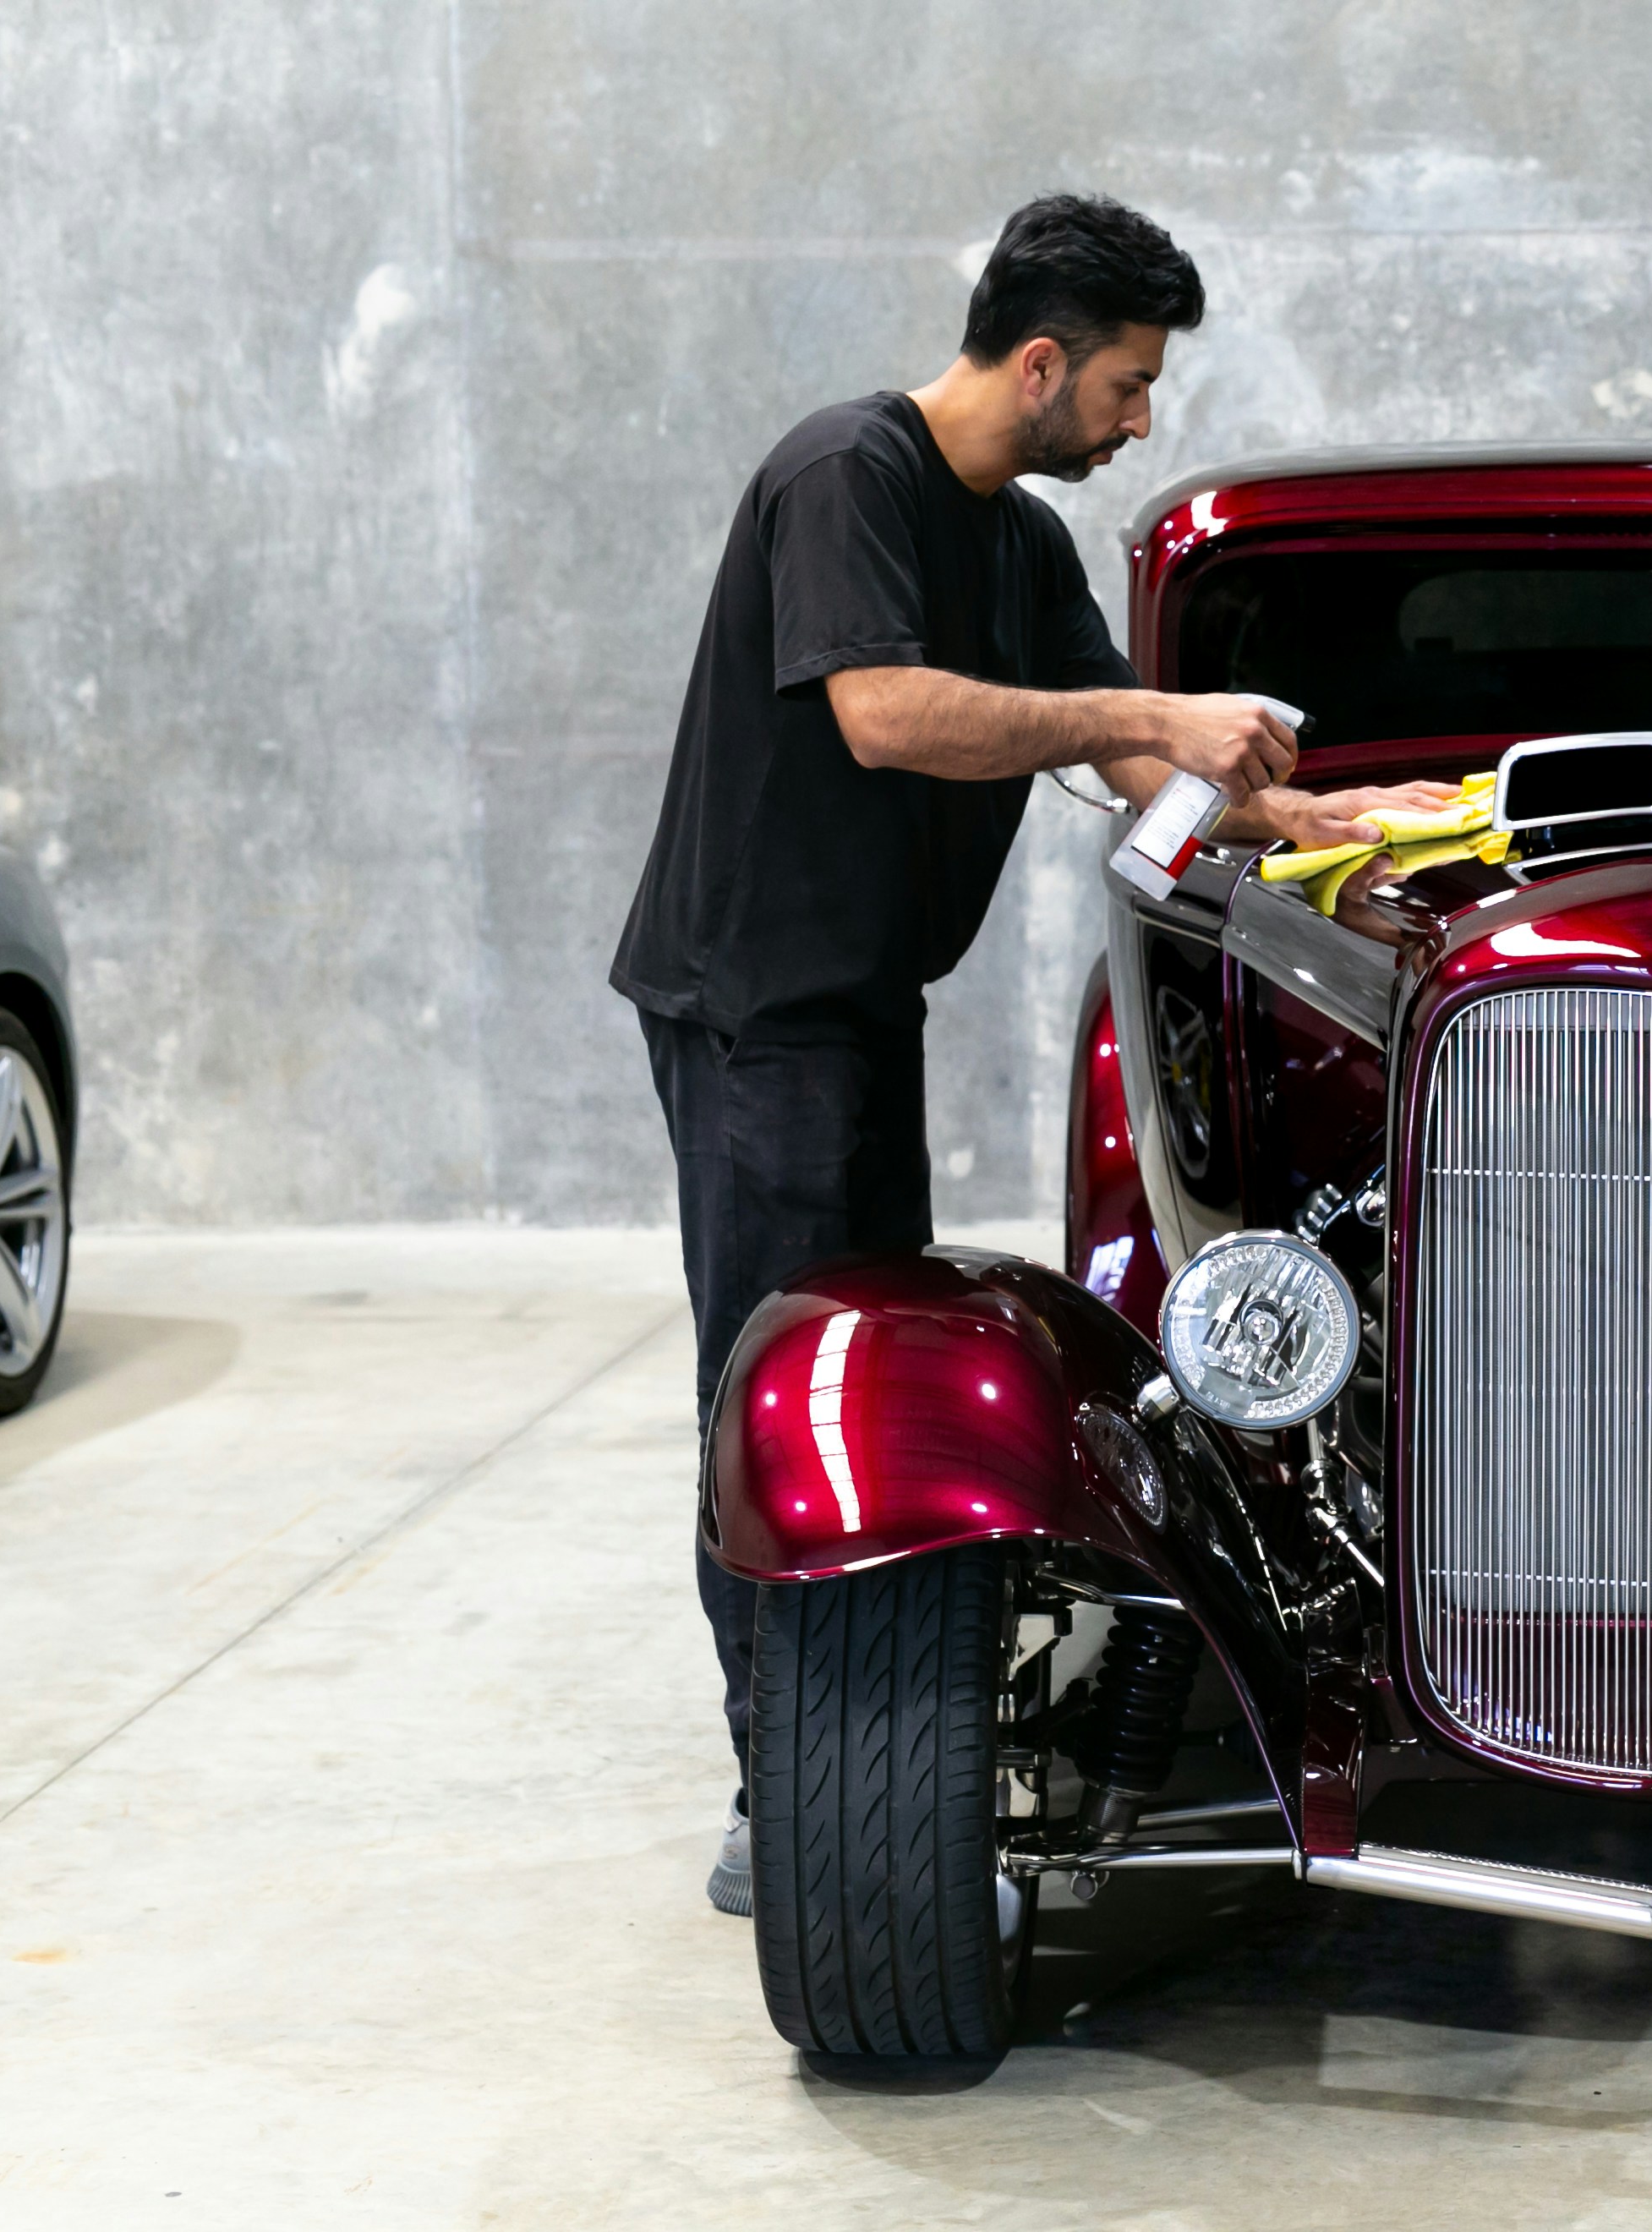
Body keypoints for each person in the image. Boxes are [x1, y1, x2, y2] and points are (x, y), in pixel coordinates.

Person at [608, 192, 1449, 1913]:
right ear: (1045, 362)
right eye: (1131, 385)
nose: (1141, 422)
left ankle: (851, 1750)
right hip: (757, 1010)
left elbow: (1150, 783)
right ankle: (787, 1798)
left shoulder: (1020, 546)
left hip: (862, 1005)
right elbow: (885, 711)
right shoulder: (847, 474)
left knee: (864, 1374)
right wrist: (1154, 709)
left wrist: (1325, 826)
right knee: (776, 1388)